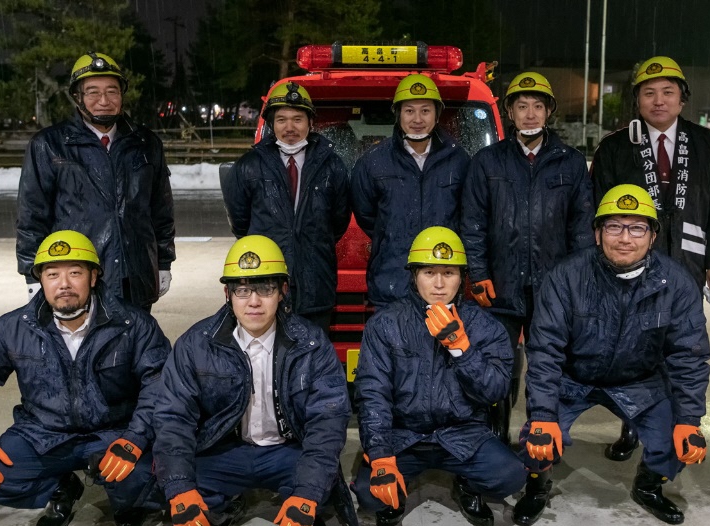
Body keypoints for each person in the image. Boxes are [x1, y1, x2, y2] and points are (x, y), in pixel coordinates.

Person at [0, 230, 171, 526]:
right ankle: (61, 487)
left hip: (114, 431)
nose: (63, 284)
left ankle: (130, 501)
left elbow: (160, 384)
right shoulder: (12, 328)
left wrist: (135, 438)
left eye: (75, 273)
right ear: (41, 280)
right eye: (52, 274)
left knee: (152, 475)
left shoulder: (133, 325)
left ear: (93, 277)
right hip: (43, 434)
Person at [512, 185, 710, 526]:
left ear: (652, 236)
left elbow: (689, 356)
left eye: (637, 228)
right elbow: (545, 349)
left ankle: (649, 487)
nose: (625, 238)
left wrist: (689, 419)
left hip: (640, 379)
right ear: (597, 232)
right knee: (537, 439)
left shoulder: (676, 283)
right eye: (614, 226)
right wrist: (544, 414)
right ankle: (538, 485)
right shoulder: (567, 276)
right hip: (574, 377)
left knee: (676, 442)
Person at [151, 235, 354, 526]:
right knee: (175, 481)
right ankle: (223, 502)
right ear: (227, 294)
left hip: (286, 451)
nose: (254, 301)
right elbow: (172, 416)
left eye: (265, 288)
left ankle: (297, 498)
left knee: (319, 483)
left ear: (282, 291)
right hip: (226, 451)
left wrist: (307, 494)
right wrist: (180, 489)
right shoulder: (196, 344)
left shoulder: (311, 344)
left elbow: (328, 420)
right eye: (242, 289)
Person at [590, 56, 710, 461]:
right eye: (649, 93)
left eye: (668, 92)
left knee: (682, 347)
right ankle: (632, 427)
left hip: (688, 261)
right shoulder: (616, 147)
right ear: (637, 100)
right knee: (634, 348)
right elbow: (597, 212)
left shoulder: (706, 144)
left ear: (682, 99)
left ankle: (677, 426)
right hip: (632, 264)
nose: (658, 101)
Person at [352, 226, 524, 526]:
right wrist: (379, 455)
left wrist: (462, 349)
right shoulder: (386, 325)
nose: (440, 284)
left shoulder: (485, 326)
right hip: (404, 435)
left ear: (463, 277)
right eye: (429, 272)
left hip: (461, 434)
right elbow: (372, 393)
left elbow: (496, 389)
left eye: (449, 272)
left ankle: (467, 486)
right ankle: (396, 488)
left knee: (510, 475)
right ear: (414, 275)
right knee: (369, 495)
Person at [461, 71, 595, 446]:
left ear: (549, 111)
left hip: (553, 289)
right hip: (500, 286)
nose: (530, 114)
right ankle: (495, 430)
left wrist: (577, 283)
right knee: (497, 362)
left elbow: (582, 229)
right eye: (522, 106)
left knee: (548, 363)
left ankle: (542, 429)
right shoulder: (488, 162)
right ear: (510, 112)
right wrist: (478, 273)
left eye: (538, 106)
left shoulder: (570, 162)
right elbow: (473, 223)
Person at [16, 52, 176, 311]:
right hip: (78, 272)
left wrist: (164, 262)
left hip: (135, 273)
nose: (104, 100)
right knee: (85, 347)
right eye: (92, 92)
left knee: (138, 344)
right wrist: (32, 274)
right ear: (77, 97)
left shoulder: (145, 143)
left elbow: (161, 211)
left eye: (112, 91)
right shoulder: (48, 145)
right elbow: (32, 216)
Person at [222, 81, 350, 333]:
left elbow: (339, 221)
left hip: (316, 282)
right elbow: (241, 224)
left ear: (310, 123)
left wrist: (308, 241)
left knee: (313, 356)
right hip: (266, 283)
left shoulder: (332, 166)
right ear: (271, 124)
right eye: (281, 120)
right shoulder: (249, 166)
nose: (289, 128)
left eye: (297, 119)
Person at [350, 74, 470, 308]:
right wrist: (393, 234)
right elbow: (367, 215)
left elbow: (468, 214)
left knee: (441, 344)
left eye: (425, 111)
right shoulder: (374, 161)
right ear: (398, 115)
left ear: (437, 114)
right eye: (409, 111)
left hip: (442, 284)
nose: (417, 119)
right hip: (391, 282)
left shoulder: (459, 160)